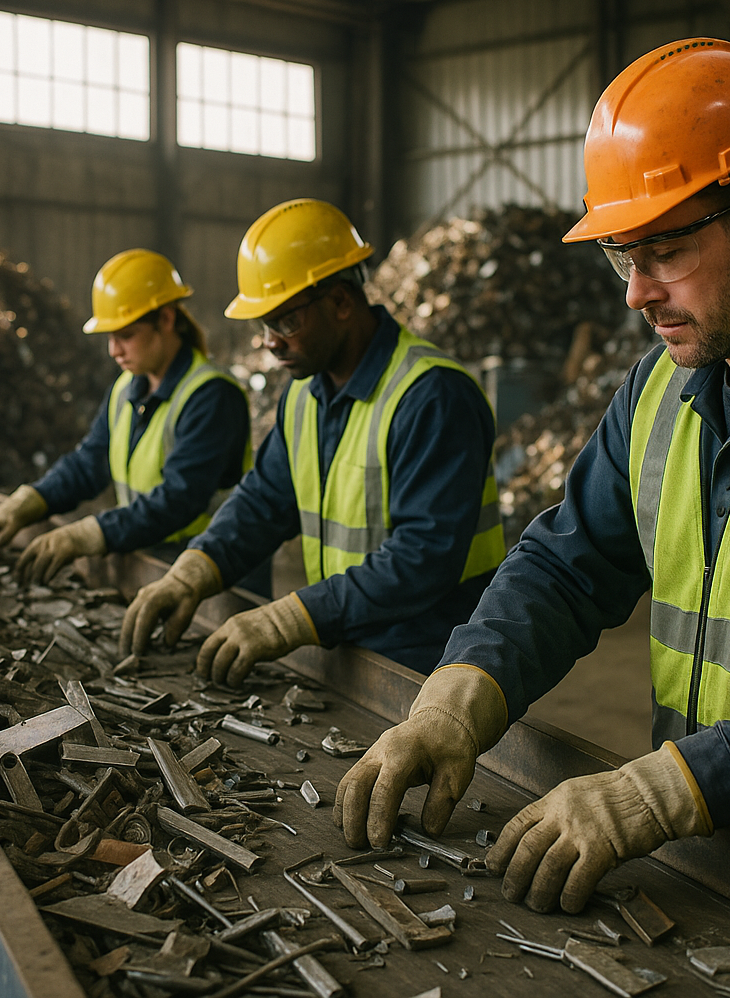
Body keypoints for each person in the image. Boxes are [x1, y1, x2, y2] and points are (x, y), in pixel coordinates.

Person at [334, 37, 730, 908]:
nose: (635, 293)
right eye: (622, 256)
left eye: (663, 253)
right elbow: (565, 565)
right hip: (707, 860)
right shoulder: (660, 388)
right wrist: (457, 698)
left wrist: (664, 788)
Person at [118, 198, 506, 686]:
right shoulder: (305, 393)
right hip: (352, 646)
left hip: (430, 663)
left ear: (341, 302)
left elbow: (421, 558)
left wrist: (289, 618)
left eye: (284, 322)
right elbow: (264, 501)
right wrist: (195, 569)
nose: (270, 342)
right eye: (263, 325)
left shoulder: (432, 396)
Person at [0, 248, 265, 594]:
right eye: (110, 336)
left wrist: (90, 533)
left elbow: (179, 500)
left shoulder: (212, 397)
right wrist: (31, 500)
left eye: (126, 335)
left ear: (166, 319)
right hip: (155, 559)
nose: (113, 350)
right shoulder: (126, 389)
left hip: (216, 573)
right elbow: (89, 462)